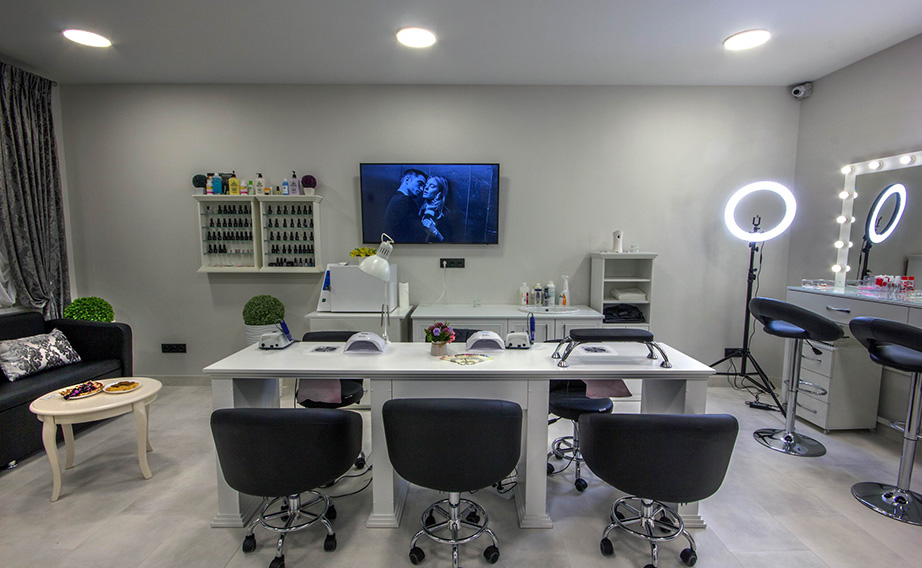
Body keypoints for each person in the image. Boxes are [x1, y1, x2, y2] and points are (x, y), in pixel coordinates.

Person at [384, 169, 427, 242]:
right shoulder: (405, 201)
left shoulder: (396, 198)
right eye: (420, 184)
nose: (422, 189)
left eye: (423, 186)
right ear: (407, 180)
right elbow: (417, 232)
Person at [419, 176, 452, 243]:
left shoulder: (445, 214)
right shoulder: (419, 209)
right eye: (426, 185)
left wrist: (434, 230)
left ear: (440, 192)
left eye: (432, 186)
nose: (426, 188)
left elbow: (449, 242)